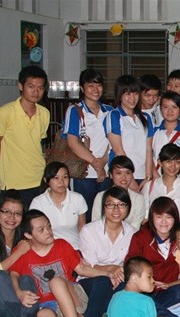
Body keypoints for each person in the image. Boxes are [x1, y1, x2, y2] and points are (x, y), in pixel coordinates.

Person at [9, 210, 107, 317]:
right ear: (28, 235)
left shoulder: (61, 245)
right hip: (51, 307)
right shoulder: (22, 251)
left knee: (55, 282)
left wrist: (107, 273)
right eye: (41, 230)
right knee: (42, 315)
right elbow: (13, 274)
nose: (48, 231)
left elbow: (81, 269)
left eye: (49, 226)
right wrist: (18, 292)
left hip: (74, 299)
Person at [0, 190, 47, 317]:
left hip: (20, 300)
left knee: (26, 278)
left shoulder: (24, 238)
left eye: (17, 214)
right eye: (6, 212)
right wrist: (18, 252)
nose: (11, 218)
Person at [78, 186, 135, 317]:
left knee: (129, 289)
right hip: (91, 279)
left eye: (121, 205)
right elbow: (90, 265)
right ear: (104, 207)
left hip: (120, 279)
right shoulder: (89, 230)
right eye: (111, 205)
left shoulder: (133, 233)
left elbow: (130, 264)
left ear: (128, 208)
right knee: (103, 281)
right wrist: (111, 270)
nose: (116, 210)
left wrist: (117, 273)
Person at [0, 65, 50, 208]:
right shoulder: (5, 112)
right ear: (20, 86)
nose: (36, 92)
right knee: (12, 218)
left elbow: (37, 143)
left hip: (38, 177)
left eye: (40, 88)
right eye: (31, 86)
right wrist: (10, 163)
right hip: (14, 180)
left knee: (35, 218)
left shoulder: (44, 113)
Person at [63, 68, 113, 221]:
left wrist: (103, 162)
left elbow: (113, 141)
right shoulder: (75, 110)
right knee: (83, 215)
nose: (95, 89)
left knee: (104, 215)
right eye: (90, 85)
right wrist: (96, 165)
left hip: (106, 172)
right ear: (82, 88)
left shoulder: (110, 111)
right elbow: (72, 143)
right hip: (82, 174)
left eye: (98, 85)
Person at [105, 74, 154, 190]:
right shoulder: (114, 115)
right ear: (119, 95)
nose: (132, 97)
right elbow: (118, 150)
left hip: (142, 176)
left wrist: (148, 176)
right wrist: (130, 181)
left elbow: (148, 149)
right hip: (122, 177)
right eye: (128, 93)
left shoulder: (146, 118)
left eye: (135, 93)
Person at [30, 162, 87, 250]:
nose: (61, 181)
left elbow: (82, 229)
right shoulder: (38, 202)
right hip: (49, 249)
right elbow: (35, 232)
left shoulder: (78, 199)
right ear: (46, 180)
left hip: (74, 247)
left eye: (65, 177)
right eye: (56, 178)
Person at [91, 156, 146, 230]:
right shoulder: (101, 196)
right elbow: (96, 224)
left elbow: (135, 227)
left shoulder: (138, 199)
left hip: (130, 236)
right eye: (119, 173)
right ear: (111, 175)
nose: (124, 177)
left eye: (128, 173)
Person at [142, 143, 180, 221]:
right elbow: (145, 216)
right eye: (168, 161)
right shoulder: (149, 187)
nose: (173, 166)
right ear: (160, 162)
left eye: (177, 162)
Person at [151, 91, 180, 172]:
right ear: (160, 109)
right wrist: (155, 175)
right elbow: (149, 156)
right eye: (165, 107)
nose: (170, 111)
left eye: (174, 107)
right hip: (157, 178)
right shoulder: (154, 131)